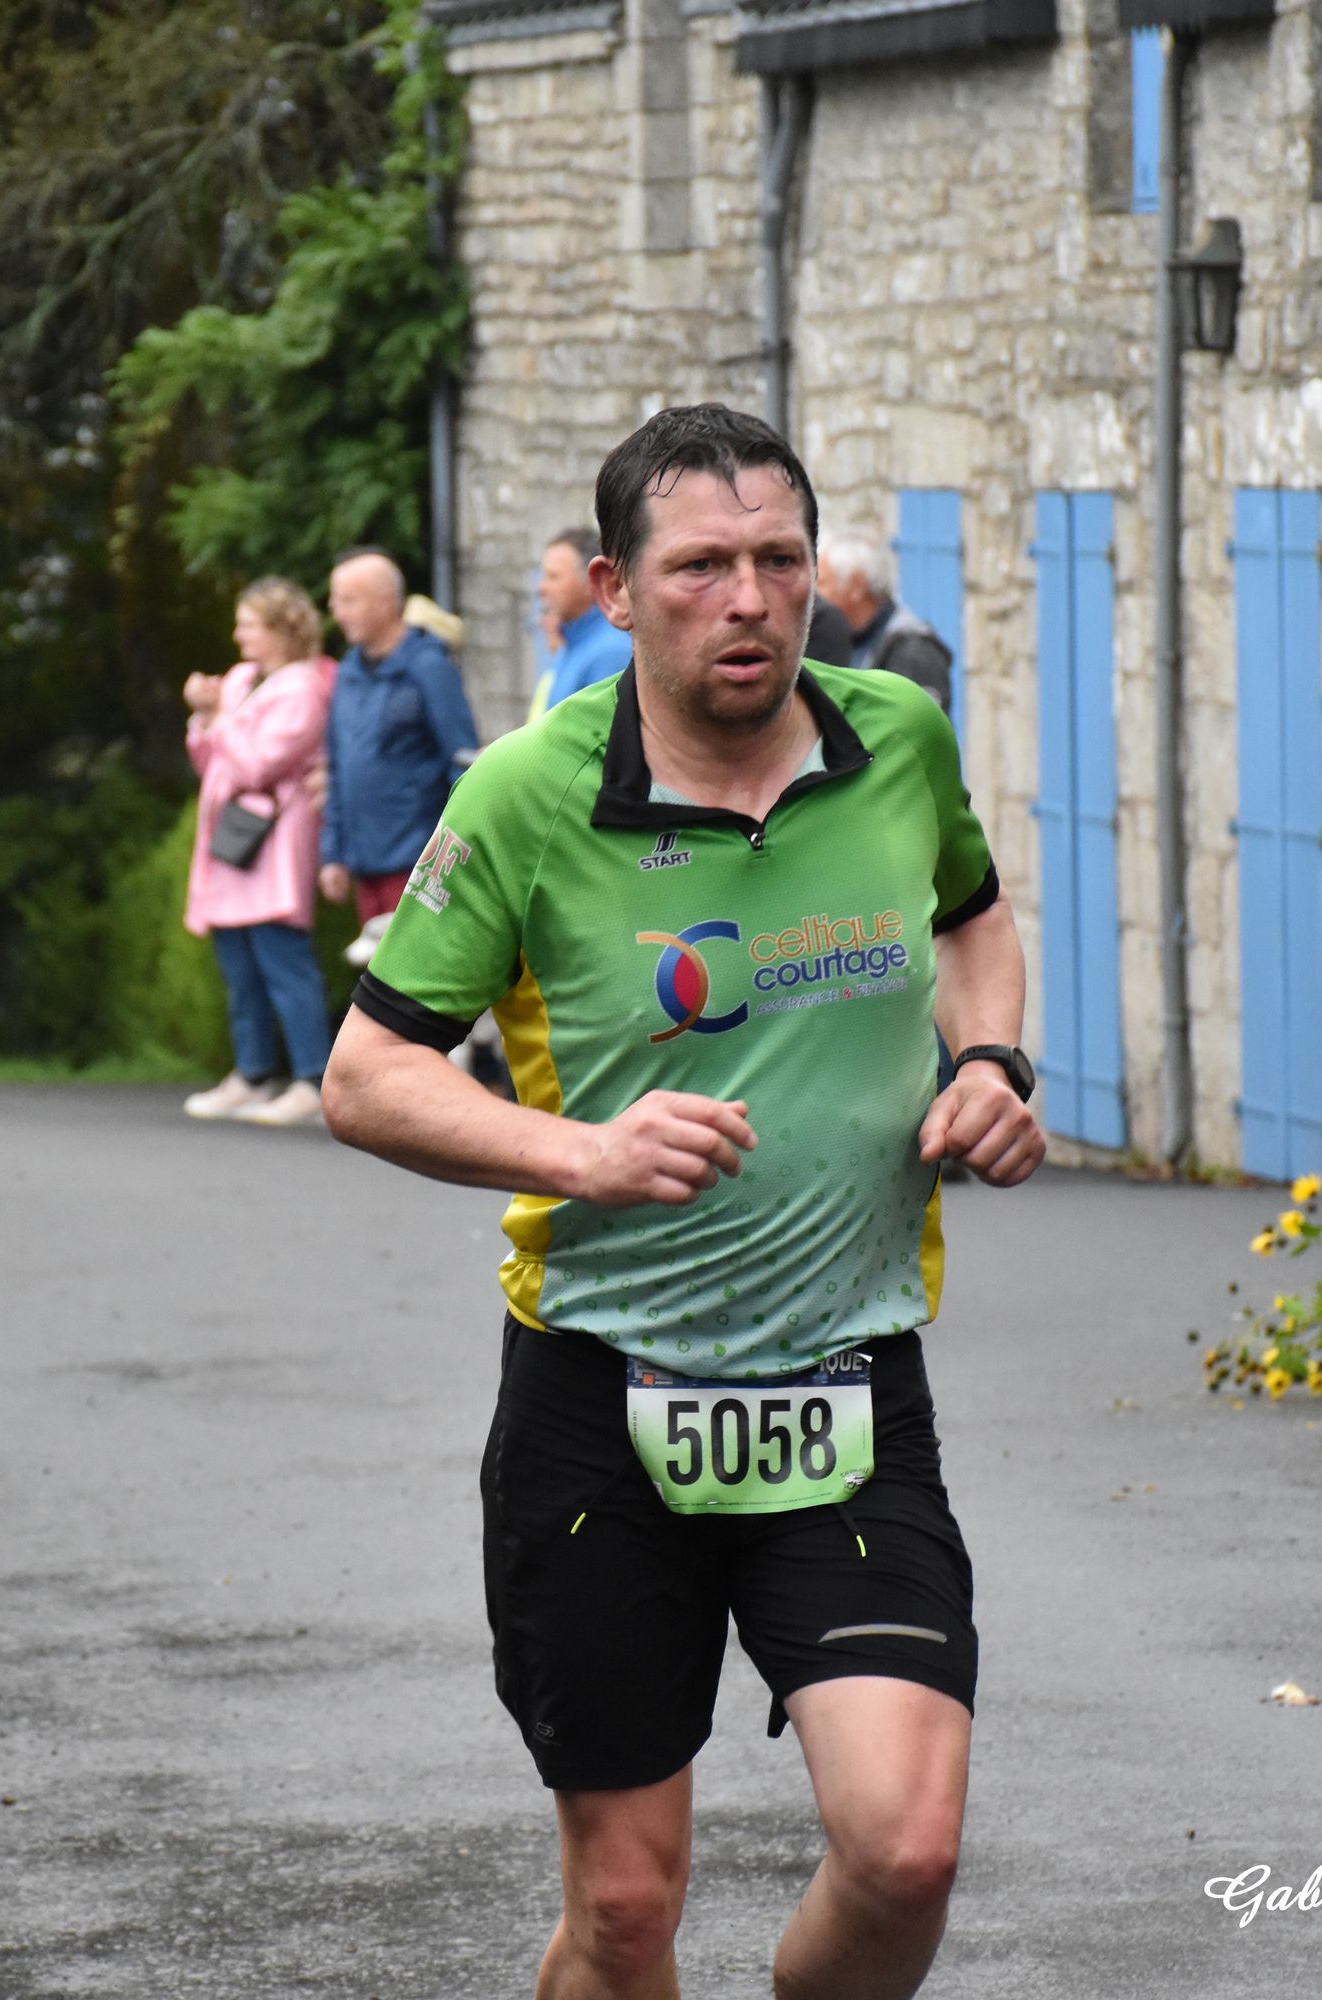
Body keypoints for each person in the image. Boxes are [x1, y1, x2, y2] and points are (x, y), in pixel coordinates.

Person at [321, 404, 1044, 2000]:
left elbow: (974, 918)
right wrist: (580, 1153)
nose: (751, 599)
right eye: (702, 566)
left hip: (846, 1383)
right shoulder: (525, 793)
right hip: (602, 1397)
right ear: (616, 590)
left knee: (907, 1852)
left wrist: (993, 1059)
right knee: (628, 1908)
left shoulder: (897, 740)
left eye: (780, 560)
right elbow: (365, 1077)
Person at [180, 578, 338, 1128]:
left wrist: (220, 720)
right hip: (232, 842)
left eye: (248, 624)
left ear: (281, 628)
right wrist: (204, 718)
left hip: (272, 844)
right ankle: (252, 1073)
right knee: (239, 966)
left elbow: (256, 765)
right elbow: (211, 762)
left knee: (283, 962)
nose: (238, 635)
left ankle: (313, 1079)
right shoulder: (242, 680)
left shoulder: (303, 690)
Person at [318, 549, 479, 924]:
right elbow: (338, 770)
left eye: (348, 601)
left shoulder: (429, 666)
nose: (337, 613)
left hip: (418, 864)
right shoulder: (347, 674)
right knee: (375, 962)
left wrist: (452, 857)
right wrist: (333, 854)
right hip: (365, 867)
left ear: (386, 603)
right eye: (335, 601)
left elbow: (464, 763)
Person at [817, 535, 954, 712]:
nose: (813, 594)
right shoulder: (841, 638)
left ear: (856, 587)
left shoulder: (912, 650)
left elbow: (914, 724)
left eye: (821, 583)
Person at [526, 526, 633, 719]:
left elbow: (604, 733)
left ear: (592, 580)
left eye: (553, 576)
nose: (541, 588)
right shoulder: (571, 644)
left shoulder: (609, 652)